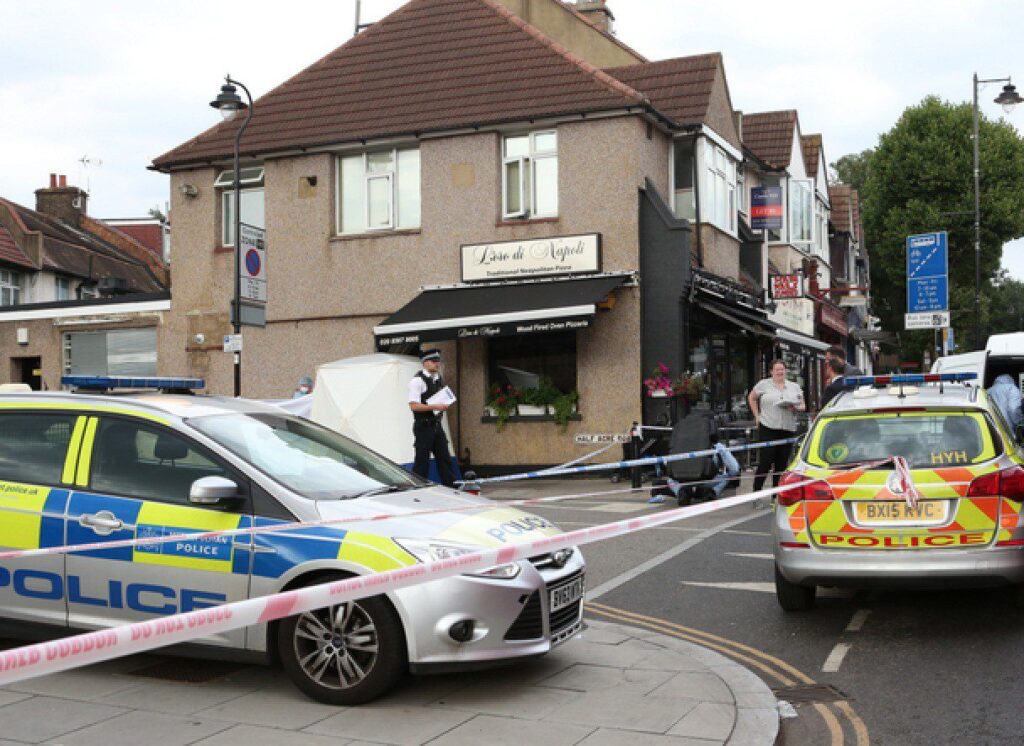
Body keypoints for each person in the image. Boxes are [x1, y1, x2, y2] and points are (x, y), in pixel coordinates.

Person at [748, 359, 805, 492]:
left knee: (781, 464)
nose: (780, 372)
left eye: (782, 369)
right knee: (766, 461)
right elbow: (751, 397)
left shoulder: (794, 386)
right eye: (777, 369)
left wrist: (795, 407)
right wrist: (756, 416)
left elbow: (802, 405)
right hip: (768, 426)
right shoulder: (764, 384)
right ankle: (756, 492)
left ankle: (776, 495)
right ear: (771, 372)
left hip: (787, 428)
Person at [408, 348, 456, 487]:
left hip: (436, 424)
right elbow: (414, 406)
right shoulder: (417, 381)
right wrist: (435, 407)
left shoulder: (438, 378)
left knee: (444, 458)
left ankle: (452, 486)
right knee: (422, 461)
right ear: (425, 363)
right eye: (434, 361)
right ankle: (418, 488)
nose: (437, 364)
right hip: (423, 426)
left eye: (438, 361)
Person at [648, 434, 741, 504]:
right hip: (708, 479)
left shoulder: (680, 444)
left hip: (682, 479)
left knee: (671, 480)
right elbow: (735, 469)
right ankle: (711, 492)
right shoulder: (716, 446)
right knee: (728, 478)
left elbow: (669, 467)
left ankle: (682, 492)